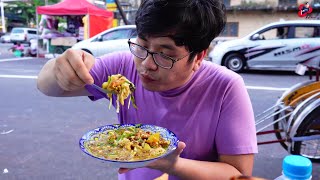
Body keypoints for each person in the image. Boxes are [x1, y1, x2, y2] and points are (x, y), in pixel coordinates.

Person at [37, 0, 258, 179]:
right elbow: (47, 87)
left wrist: (174, 165)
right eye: (142, 46)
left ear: (199, 56)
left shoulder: (226, 87)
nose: (146, 64)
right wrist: (60, 69)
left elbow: (238, 173)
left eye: (165, 54)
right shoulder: (123, 69)